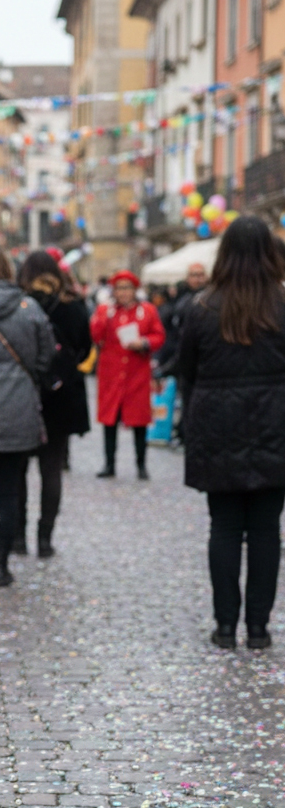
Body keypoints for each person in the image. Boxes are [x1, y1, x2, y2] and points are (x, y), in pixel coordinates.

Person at [178, 217, 285, 651]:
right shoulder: (281, 305)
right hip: (275, 425)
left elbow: (187, 370)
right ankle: (257, 628)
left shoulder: (202, 307)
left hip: (216, 427)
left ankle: (225, 626)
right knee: (265, 531)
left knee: (223, 528)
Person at [0, 243, 54, 586]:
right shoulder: (31, 309)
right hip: (20, 410)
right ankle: (0, 564)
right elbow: (45, 359)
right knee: (10, 489)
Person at [18, 251, 92, 555]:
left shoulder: (19, 305)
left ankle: (17, 538)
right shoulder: (72, 305)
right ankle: (45, 538)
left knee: (17, 470)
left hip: (25, 393)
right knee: (52, 470)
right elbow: (86, 347)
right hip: (61, 395)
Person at [91, 269, 165, 480]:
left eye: (127, 288)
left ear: (134, 290)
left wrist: (144, 343)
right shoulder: (106, 310)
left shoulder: (148, 311)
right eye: (119, 288)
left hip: (137, 374)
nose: (123, 293)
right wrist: (103, 315)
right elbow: (96, 335)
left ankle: (141, 464)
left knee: (139, 420)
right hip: (111, 375)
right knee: (110, 420)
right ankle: (109, 463)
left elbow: (159, 335)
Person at [155, 262, 209, 378]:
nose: (198, 279)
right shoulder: (182, 301)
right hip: (185, 355)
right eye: (194, 275)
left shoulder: (211, 299)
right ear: (187, 278)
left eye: (201, 275)